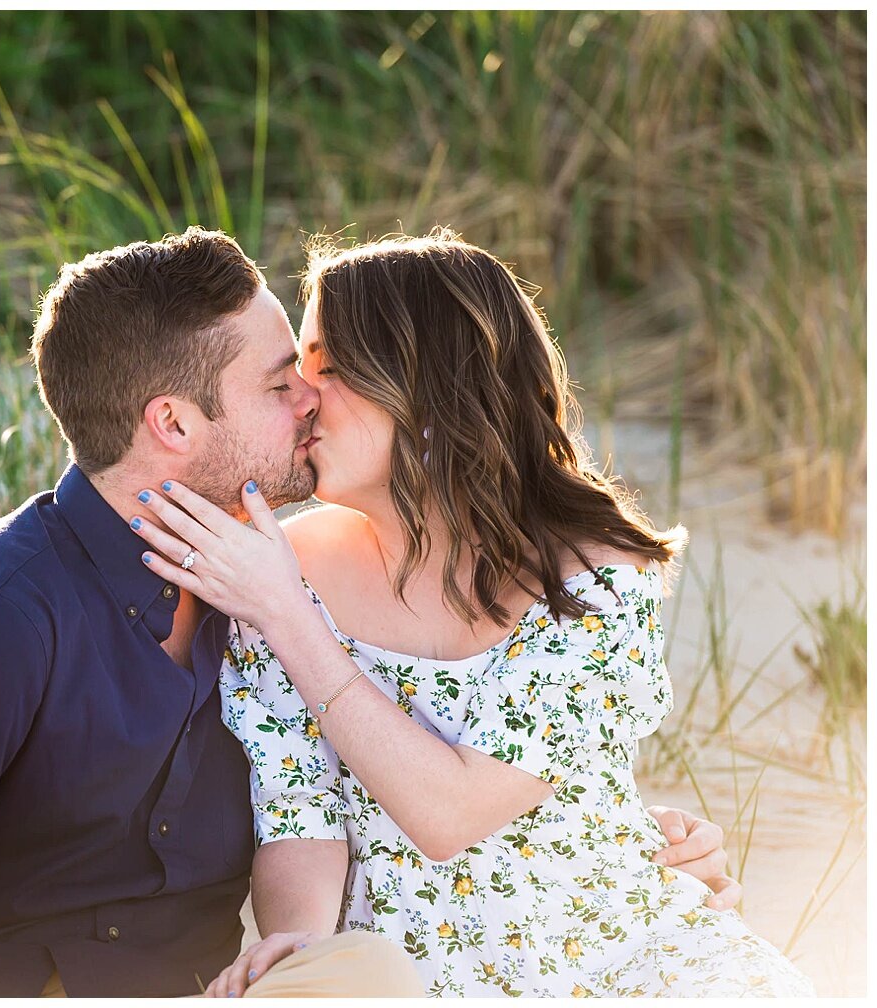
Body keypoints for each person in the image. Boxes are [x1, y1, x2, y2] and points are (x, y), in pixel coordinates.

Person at [0, 228, 734, 998]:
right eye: (284, 383)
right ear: (173, 426)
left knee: (359, 980)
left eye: (314, 377)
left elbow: (456, 739)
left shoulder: (272, 589)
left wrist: (617, 818)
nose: (308, 402)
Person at [126, 230, 815, 997]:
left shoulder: (595, 583)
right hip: (410, 979)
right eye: (298, 370)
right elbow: (299, 812)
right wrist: (306, 953)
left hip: (621, 960)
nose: (305, 397)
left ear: (426, 386)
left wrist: (292, 621)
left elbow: (449, 812)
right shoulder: (285, 575)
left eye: (331, 368)